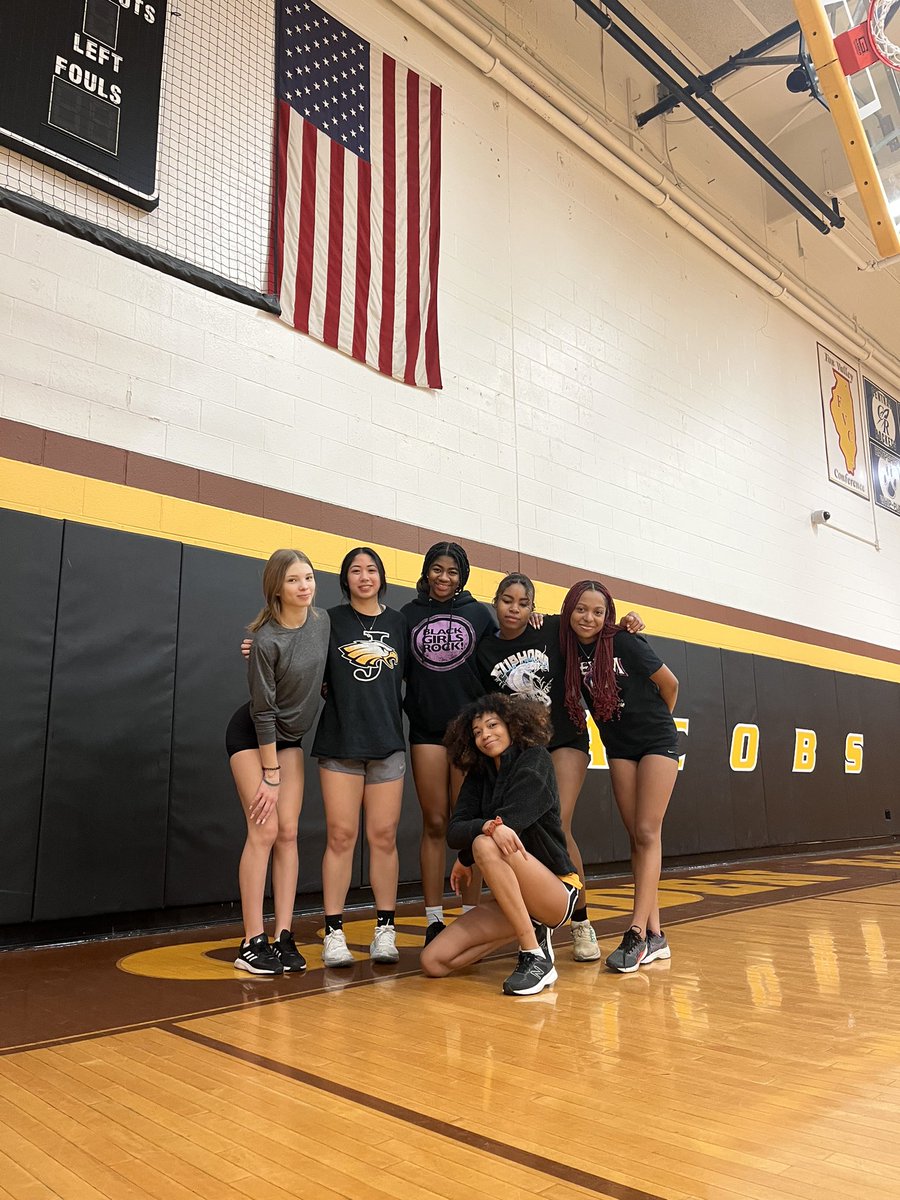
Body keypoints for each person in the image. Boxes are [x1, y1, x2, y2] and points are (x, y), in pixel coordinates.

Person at [476, 572, 644, 962]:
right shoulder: (485, 651)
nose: (515, 609)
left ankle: (581, 920)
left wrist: (628, 622)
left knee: (558, 824)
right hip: (521, 752)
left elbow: (593, 624)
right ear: (496, 602)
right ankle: (539, 920)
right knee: (523, 830)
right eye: (507, 601)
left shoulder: (551, 626)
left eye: (523, 603)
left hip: (565, 738)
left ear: (534, 608)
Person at [420, 694, 582, 995]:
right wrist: (482, 832)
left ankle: (534, 955)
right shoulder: (479, 775)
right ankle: (527, 927)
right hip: (517, 897)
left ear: (512, 726)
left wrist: (472, 850)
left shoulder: (536, 759)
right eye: (477, 732)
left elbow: (513, 821)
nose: (485, 735)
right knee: (433, 961)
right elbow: (454, 831)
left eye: (493, 725)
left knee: (484, 845)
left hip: (555, 890)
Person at [560, 579, 679, 973]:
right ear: (569, 609)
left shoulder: (625, 641)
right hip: (619, 747)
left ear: (607, 613)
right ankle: (657, 934)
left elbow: (669, 684)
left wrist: (655, 720)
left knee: (647, 831)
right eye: (581, 609)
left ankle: (637, 934)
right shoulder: (567, 646)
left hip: (656, 741)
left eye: (597, 611)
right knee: (639, 837)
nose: (589, 617)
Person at [226, 548, 330, 975]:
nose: (304, 586)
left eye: (308, 577)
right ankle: (251, 941)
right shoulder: (266, 639)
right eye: (293, 580)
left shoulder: (322, 621)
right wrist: (271, 776)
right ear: (277, 588)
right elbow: (263, 712)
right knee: (264, 830)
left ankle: (283, 934)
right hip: (254, 736)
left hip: (291, 739)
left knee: (289, 832)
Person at [311, 547, 407, 968]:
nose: (364, 576)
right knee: (341, 836)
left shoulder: (398, 622)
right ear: (345, 578)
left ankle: (384, 930)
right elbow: (294, 654)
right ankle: (334, 933)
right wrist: (254, 646)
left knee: (383, 836)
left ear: (381, 577)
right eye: (355, 570)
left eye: (371, 569)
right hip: (340, 743)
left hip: (387, 743)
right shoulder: (326, 620)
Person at [401, 542, 496, 944]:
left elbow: (509, 645)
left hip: (468, 733)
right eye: (437, 570)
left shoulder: (479, 614)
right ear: (426, 572)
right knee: (436, 822)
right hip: (425, 730)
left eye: (452, 571)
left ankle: (470, 916)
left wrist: (536, 619)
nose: (444, 577)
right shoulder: (408, 615)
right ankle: (434, 919)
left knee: (468, 826)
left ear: (463, 576)